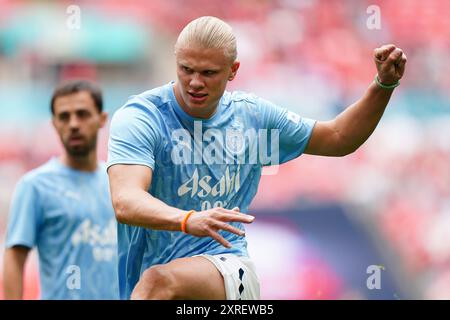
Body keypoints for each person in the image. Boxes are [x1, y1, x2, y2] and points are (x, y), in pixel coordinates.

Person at [107, 16, 407, 300]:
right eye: (186, 69)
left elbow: (339, 138)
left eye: (208, 73)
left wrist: (383, 86)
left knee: (158, 282)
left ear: (233, 70)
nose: (195, 82)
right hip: (142, 280)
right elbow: (126, 200)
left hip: (226, 265)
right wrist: (188, 220)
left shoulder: (252, 117)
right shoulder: (142, 118)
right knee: (152, 282)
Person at [3, 80, 119, 300]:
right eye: (64, 116)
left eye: (82, 114)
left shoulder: (118, 182)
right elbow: (14, 257)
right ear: (54, 123)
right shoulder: (35, 186)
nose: (74, 124)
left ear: (102, 119)